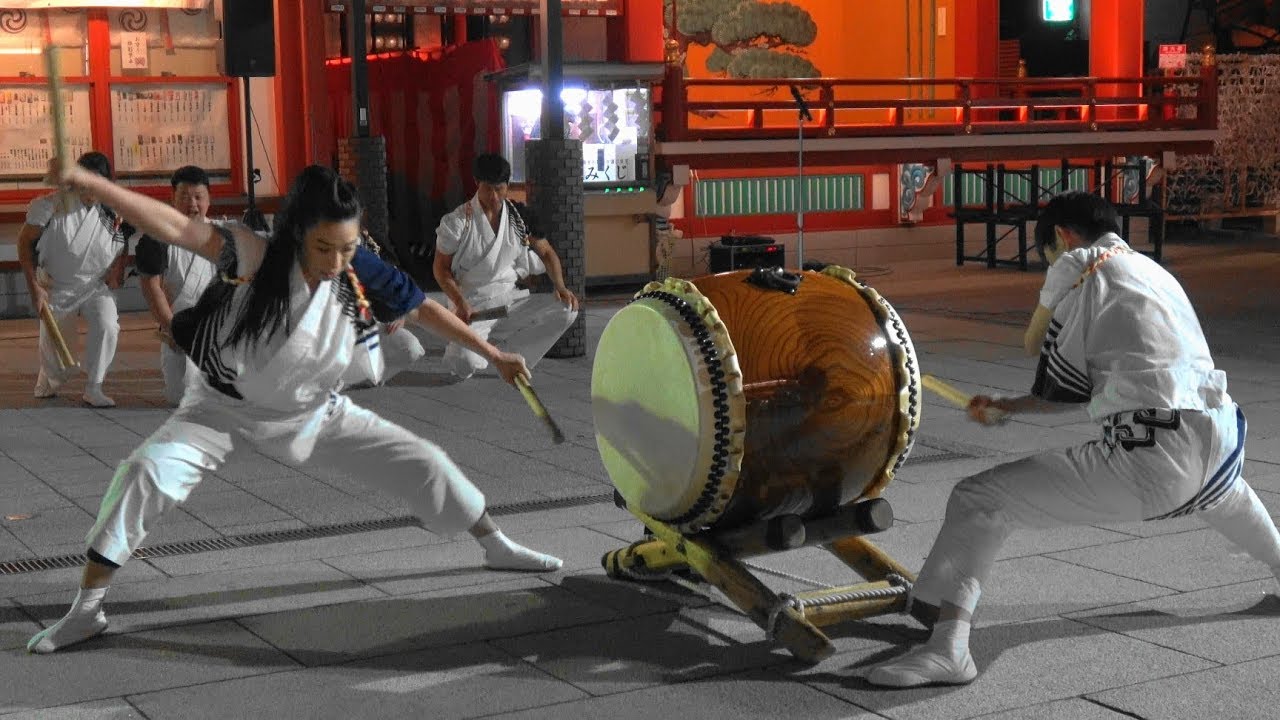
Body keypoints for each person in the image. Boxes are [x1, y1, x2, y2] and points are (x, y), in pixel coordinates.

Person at [27, 164, 563, 655]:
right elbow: (175, 228)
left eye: (347, 249)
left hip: (312, 410)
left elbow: (422, 307)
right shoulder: (252, 253)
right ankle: (88, 610)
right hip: (222, 407)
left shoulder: (355, 262)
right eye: (324, 248)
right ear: (296, 232)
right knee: (142, 473)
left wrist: (493, 355)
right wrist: (97, 188)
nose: (336, 263)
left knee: (421, 459)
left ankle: (494, 544)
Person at [865, 192, 1280, 688]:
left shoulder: (1091, 278)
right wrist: (1009, 406)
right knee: (1225, 496)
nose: (1048, 263)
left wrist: (1008, 407)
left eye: (1046, 251)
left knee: (979, 497)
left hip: (1155, 457)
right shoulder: (1153, 272)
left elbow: (1062, 386)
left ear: (1062, 236)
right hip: (1222, 440)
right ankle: (934, 601)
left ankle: (949, 647)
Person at [432, 152, 579, 380]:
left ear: (508, 185)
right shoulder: (457, 221)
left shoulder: (519, 217)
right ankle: (477, 347)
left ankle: (513, 355)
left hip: (511, 300)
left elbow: (547, 252)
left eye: (499, 189)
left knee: (566, 309)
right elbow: (441, 269)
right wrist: (460, 302)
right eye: (487, 188)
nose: (493, 196)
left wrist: (560, 286)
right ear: (476, 183)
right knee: (462, 363)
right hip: (473, 307)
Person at [16, 152, 131, 407]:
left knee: (108, 324)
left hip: (94, 286)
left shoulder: (115, 211)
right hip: (55, 286)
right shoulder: (50, 206)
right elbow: (24, 244)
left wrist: (117, 270)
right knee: (61, 369)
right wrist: (34, 287)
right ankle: (49, 376)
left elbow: (123, 243)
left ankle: (95, 386)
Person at [134, 166, 219, 406]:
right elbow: (152, 287)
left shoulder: (224, 236)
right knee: (179, 395)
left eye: (198, 197)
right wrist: (170, 326)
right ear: (173, 199)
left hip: (215, 325)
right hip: (176, 325)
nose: (192, 204)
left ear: (208, 199)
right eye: (184, 197)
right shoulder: (157, 237)